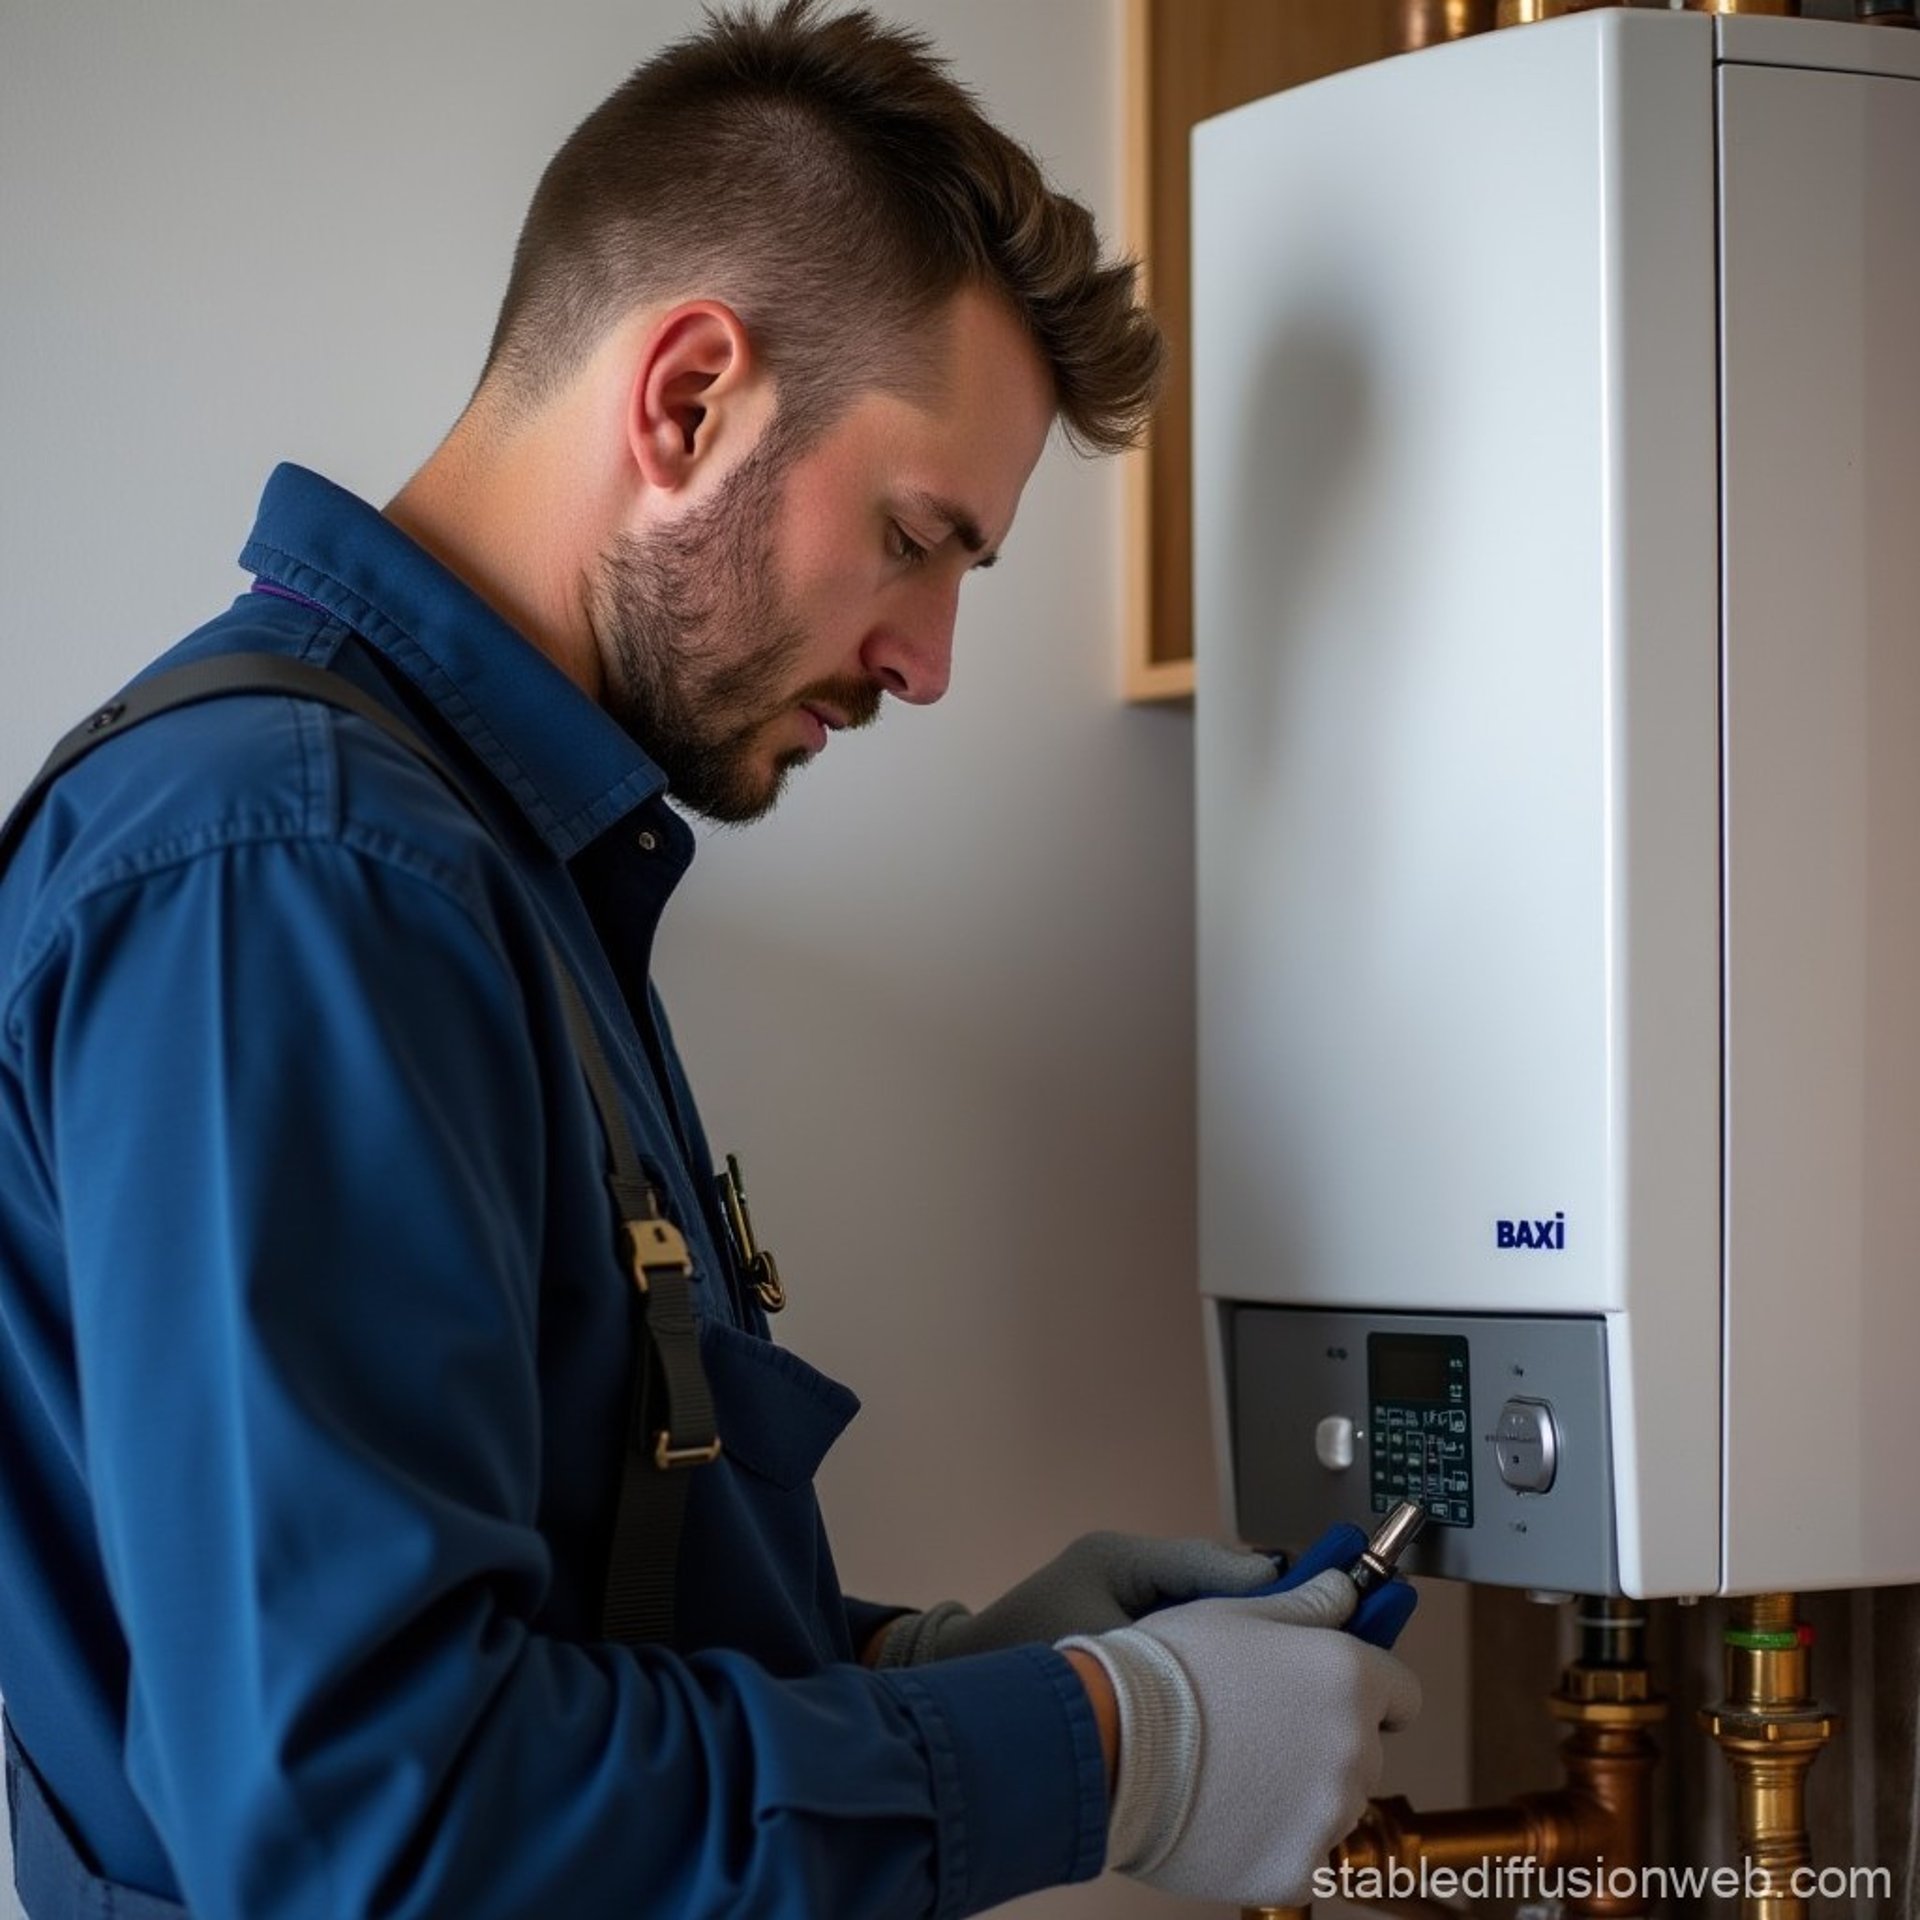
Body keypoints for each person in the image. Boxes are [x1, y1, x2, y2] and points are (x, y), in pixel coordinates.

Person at [0, 4, 1420, 1916]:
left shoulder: (485, 866)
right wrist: (1105, 1749)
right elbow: (373, 1829)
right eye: (917, 540)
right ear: (686, 402)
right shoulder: (303, 874)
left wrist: (926, 1668)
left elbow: (556, 1618)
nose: (926, 659)